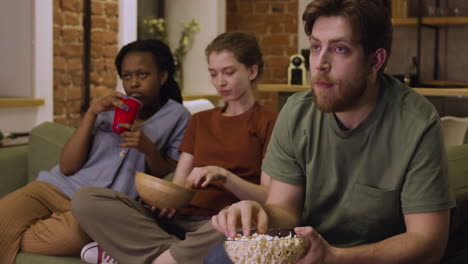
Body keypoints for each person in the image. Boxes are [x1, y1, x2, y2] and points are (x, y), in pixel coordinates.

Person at [210, 0, 456, 263]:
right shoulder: (296, 113)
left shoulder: (416, 122)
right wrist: (259, 212)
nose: (319, 64)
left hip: (372, 259)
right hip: (308, 252)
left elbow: (428, 242)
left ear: (376, 60)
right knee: (219, 255)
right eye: (316, 47)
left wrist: (336, 257)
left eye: (340, 49)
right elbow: (285, 211)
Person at [72, 31, 278, 264]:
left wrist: (224, 176)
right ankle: (176, 255)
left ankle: (141, 256)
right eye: (213, 73)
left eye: (229, 72)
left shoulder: (270, 122)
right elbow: (179, 183)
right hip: (178, 222)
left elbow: (268, 197)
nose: (220, 82)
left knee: (243, 230)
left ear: (252, 71)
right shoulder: (200, 121)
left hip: (219, 225)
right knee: (86, 199)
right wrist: (165, 200)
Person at [0, 38, 190, 263]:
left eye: (142, 74)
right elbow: (68, 166)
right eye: (127, 76)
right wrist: (91, 114)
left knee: (55, 237)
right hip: (53, 188)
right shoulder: (109, 111)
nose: (134, 83)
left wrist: (148, 149)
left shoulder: (177, 116)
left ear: (163, 76)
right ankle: (105, 243)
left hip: (99, 206)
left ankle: (102, 240)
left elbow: (169, 173)